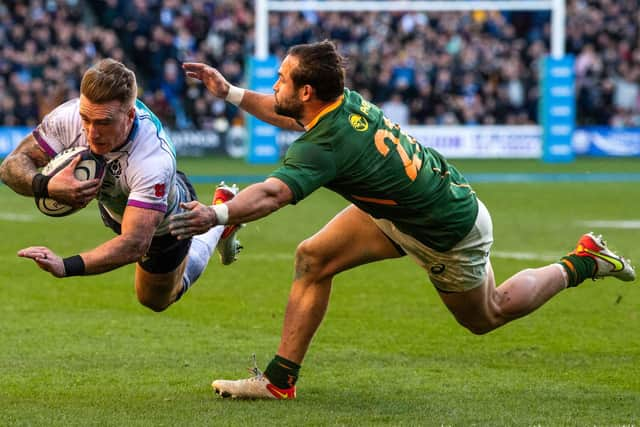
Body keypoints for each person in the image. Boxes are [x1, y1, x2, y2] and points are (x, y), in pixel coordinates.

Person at [169, 40, 636, 399]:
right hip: (405, 209)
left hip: (445, 231)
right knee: (313, 258)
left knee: (487, 314)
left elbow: (272, 193)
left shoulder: (325, 143)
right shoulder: (339, 102)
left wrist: (216, 213)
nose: (274, 85)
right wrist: (228, 92)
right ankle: (279, 381)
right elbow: (291, 116)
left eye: (281, 78)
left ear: (306, 90)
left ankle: (582, 261)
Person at [0, 58, 243, 312]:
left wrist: (65, 265)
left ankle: (217, 220)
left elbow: (135, 244)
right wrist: (45, 185)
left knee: (155, 300)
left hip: (165, 224)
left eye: (104, 123)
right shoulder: (70, 116)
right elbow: (10, 166)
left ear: (129, 116)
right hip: (116, 204)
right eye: (86, 119)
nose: (91, 133)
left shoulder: (152, 159)